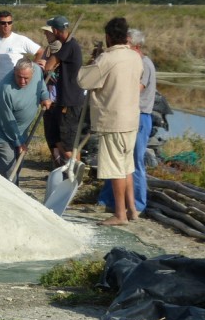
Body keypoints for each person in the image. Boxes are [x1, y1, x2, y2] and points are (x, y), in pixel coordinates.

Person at [78, 17, 143, 226]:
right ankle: (132, 210)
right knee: (126, 167)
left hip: (113, 120)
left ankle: (120, 214)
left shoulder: (107, 59)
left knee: (116, 169)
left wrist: (94, 59)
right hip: (131, 118)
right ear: (126, 36)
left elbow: (83, 80)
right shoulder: (135, 57)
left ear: (108, 37)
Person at [97, 28, 157, 214]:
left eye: (127, 44)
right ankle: (112, 200)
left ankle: (137, 204)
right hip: (127, 115)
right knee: (118, 161)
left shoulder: (143, 63)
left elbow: (133, 88)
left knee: (134, 162)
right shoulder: (133, 61)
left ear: (135, 45)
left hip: (138, 115)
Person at [0, 11, 43, 163]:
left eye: (9, 22)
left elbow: (40, 51)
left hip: (16, 90)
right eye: (2, 23)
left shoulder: (20, 40)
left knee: (15, 124)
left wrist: (32, 69)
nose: (6, 26)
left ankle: (15, 157)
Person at [0, 58, 52, 183]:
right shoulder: (4, 90)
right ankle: (8, 197)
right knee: (9, 170)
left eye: (26, 78)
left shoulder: (37, 70)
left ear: (32, 73)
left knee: (18, 164)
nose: (22, 81)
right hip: (3, 132)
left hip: (22, 130)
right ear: (14, 71)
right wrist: (18, 141)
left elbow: (40, 84)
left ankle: (15, 193)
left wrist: (44, 96)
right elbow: (7, 120)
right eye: (18, 77)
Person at [43, 15, 85, 164]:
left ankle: (76, 169)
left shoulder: (68, 46)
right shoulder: (68, 45)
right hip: (65, 99)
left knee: (68, 142)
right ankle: (69, 169)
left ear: (55, 30)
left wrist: (53, 54)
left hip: (69, 101)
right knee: (55, 136)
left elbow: (48, 67)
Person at [40, 25, 64, 165]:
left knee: (58, 136)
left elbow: (60, 75)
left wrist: (47, 69)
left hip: (58, 98)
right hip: (48, 97)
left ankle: (64, 165)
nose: (45, 34)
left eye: (47, 32)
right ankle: (56, 165)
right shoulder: (49, 48)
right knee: (50, 135)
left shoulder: (62, 49)